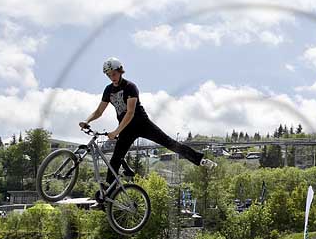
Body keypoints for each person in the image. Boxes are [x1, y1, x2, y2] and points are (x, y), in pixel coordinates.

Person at [82, 58, 216, 199]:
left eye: (113, 74)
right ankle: (108, 196)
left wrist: (116, 131)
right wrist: (86, 120)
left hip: (142, 124)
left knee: (169, 143)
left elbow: (130, 112)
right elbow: (99, 112)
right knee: (115, 160)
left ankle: (200, 160)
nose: (112, 77)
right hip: (126, 129)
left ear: (120, 71)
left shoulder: (130, 87)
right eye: (108, 75)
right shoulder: (108, 90)